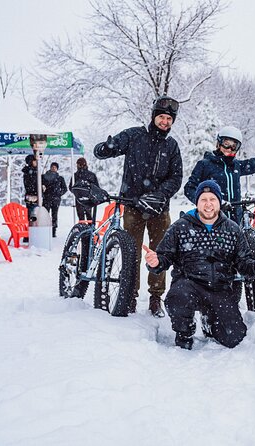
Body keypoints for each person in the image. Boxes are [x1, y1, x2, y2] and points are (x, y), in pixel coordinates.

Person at [143, 180, 255, 349]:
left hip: (220, 290)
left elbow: (245, 265)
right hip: (188, 285)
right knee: (177, 299)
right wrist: (155, 262)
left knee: (233, 338)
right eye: (204, 199)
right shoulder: (180, 227)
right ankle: (184, 331)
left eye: (212, 199)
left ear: (219, 202)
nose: (208, 204)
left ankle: (210, 322)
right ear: (197, 202)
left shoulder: (232, 229)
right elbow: (164, 258)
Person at [94, 95, 183, 318]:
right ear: (154, 116)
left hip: (159, 209)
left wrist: (158, 196)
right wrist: (105, 148)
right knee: (131, 252)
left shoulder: (171, 146)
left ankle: (155, 298)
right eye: (161, 117)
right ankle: (129, 295)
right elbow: (112, 148)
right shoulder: (135, 135)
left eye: (168, 119)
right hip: (132, 206)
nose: (164, 122)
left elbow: (176, 177)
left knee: (160, 253)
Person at [184, 125, 255, 223]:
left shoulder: (237, 166)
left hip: (236, 220)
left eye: (234, 146)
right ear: (218, 144)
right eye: (226, 144)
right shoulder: (204, 165)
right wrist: (208, 203)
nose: (229, 149)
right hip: (213, 219)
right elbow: (189, 188)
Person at [42, 162, 68, 237]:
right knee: (45, 215)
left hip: (56, 199)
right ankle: (45, 230)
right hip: (47, 198)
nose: (53, 168)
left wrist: (59, 194)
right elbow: (40, 185)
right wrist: (43, 193)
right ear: (50, 167)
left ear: (57, 169)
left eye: (55, 167)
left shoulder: (60, 178)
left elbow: (65, 188)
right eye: (52, 167)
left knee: (54, 215)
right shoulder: (45, 176)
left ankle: (53, 230)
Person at [69, 157, 100, 221]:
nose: (77, 166)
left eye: (78, 164)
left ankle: (83, 229)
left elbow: (70, 187)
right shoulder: (91, 175)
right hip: (88, 199)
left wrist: (77, 192)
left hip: (80, 199)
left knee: (82, 218)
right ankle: (90, 229)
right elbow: (97, 187)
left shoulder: (75, 175)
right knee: (88, 217)